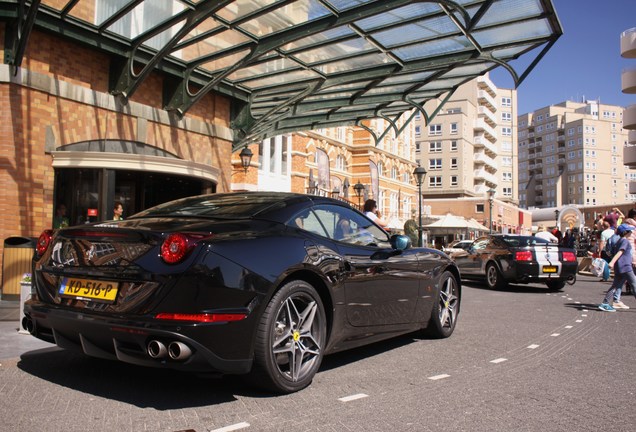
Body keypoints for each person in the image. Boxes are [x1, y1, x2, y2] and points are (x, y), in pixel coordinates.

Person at [599, 223, 636, 311]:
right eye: (630, 231)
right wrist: (612, 262)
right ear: (625, 232)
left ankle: (605, 303)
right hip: (626, 266)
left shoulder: (618, 241)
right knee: (634, 284)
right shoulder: (625, 241)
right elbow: (620, 252)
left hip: (619, 267)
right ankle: (605, 303)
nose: (631, 232)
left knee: (615, 286)